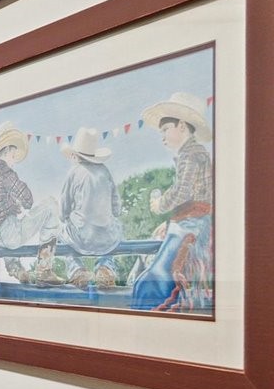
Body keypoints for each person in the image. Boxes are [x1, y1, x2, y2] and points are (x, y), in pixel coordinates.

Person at [131, 91, 215, 313]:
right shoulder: (198, 153)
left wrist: (160, 204)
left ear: (181, 126)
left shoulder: (190, 155)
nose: (163, 136)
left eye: (166, 129)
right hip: (194, 222)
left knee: (151, 281)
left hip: (191, 226)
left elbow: (182, 192)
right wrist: (170, 221)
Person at [56, 126, 121, 256]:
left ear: (75, 156)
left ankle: (76, 268)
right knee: (117, 229)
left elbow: (63, 210)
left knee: (59, 234)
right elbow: (116, 207)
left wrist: (66, 218)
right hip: (106, 238)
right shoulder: (104, 170)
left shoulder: (73, 173)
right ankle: (106, 265)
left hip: (82, 237)